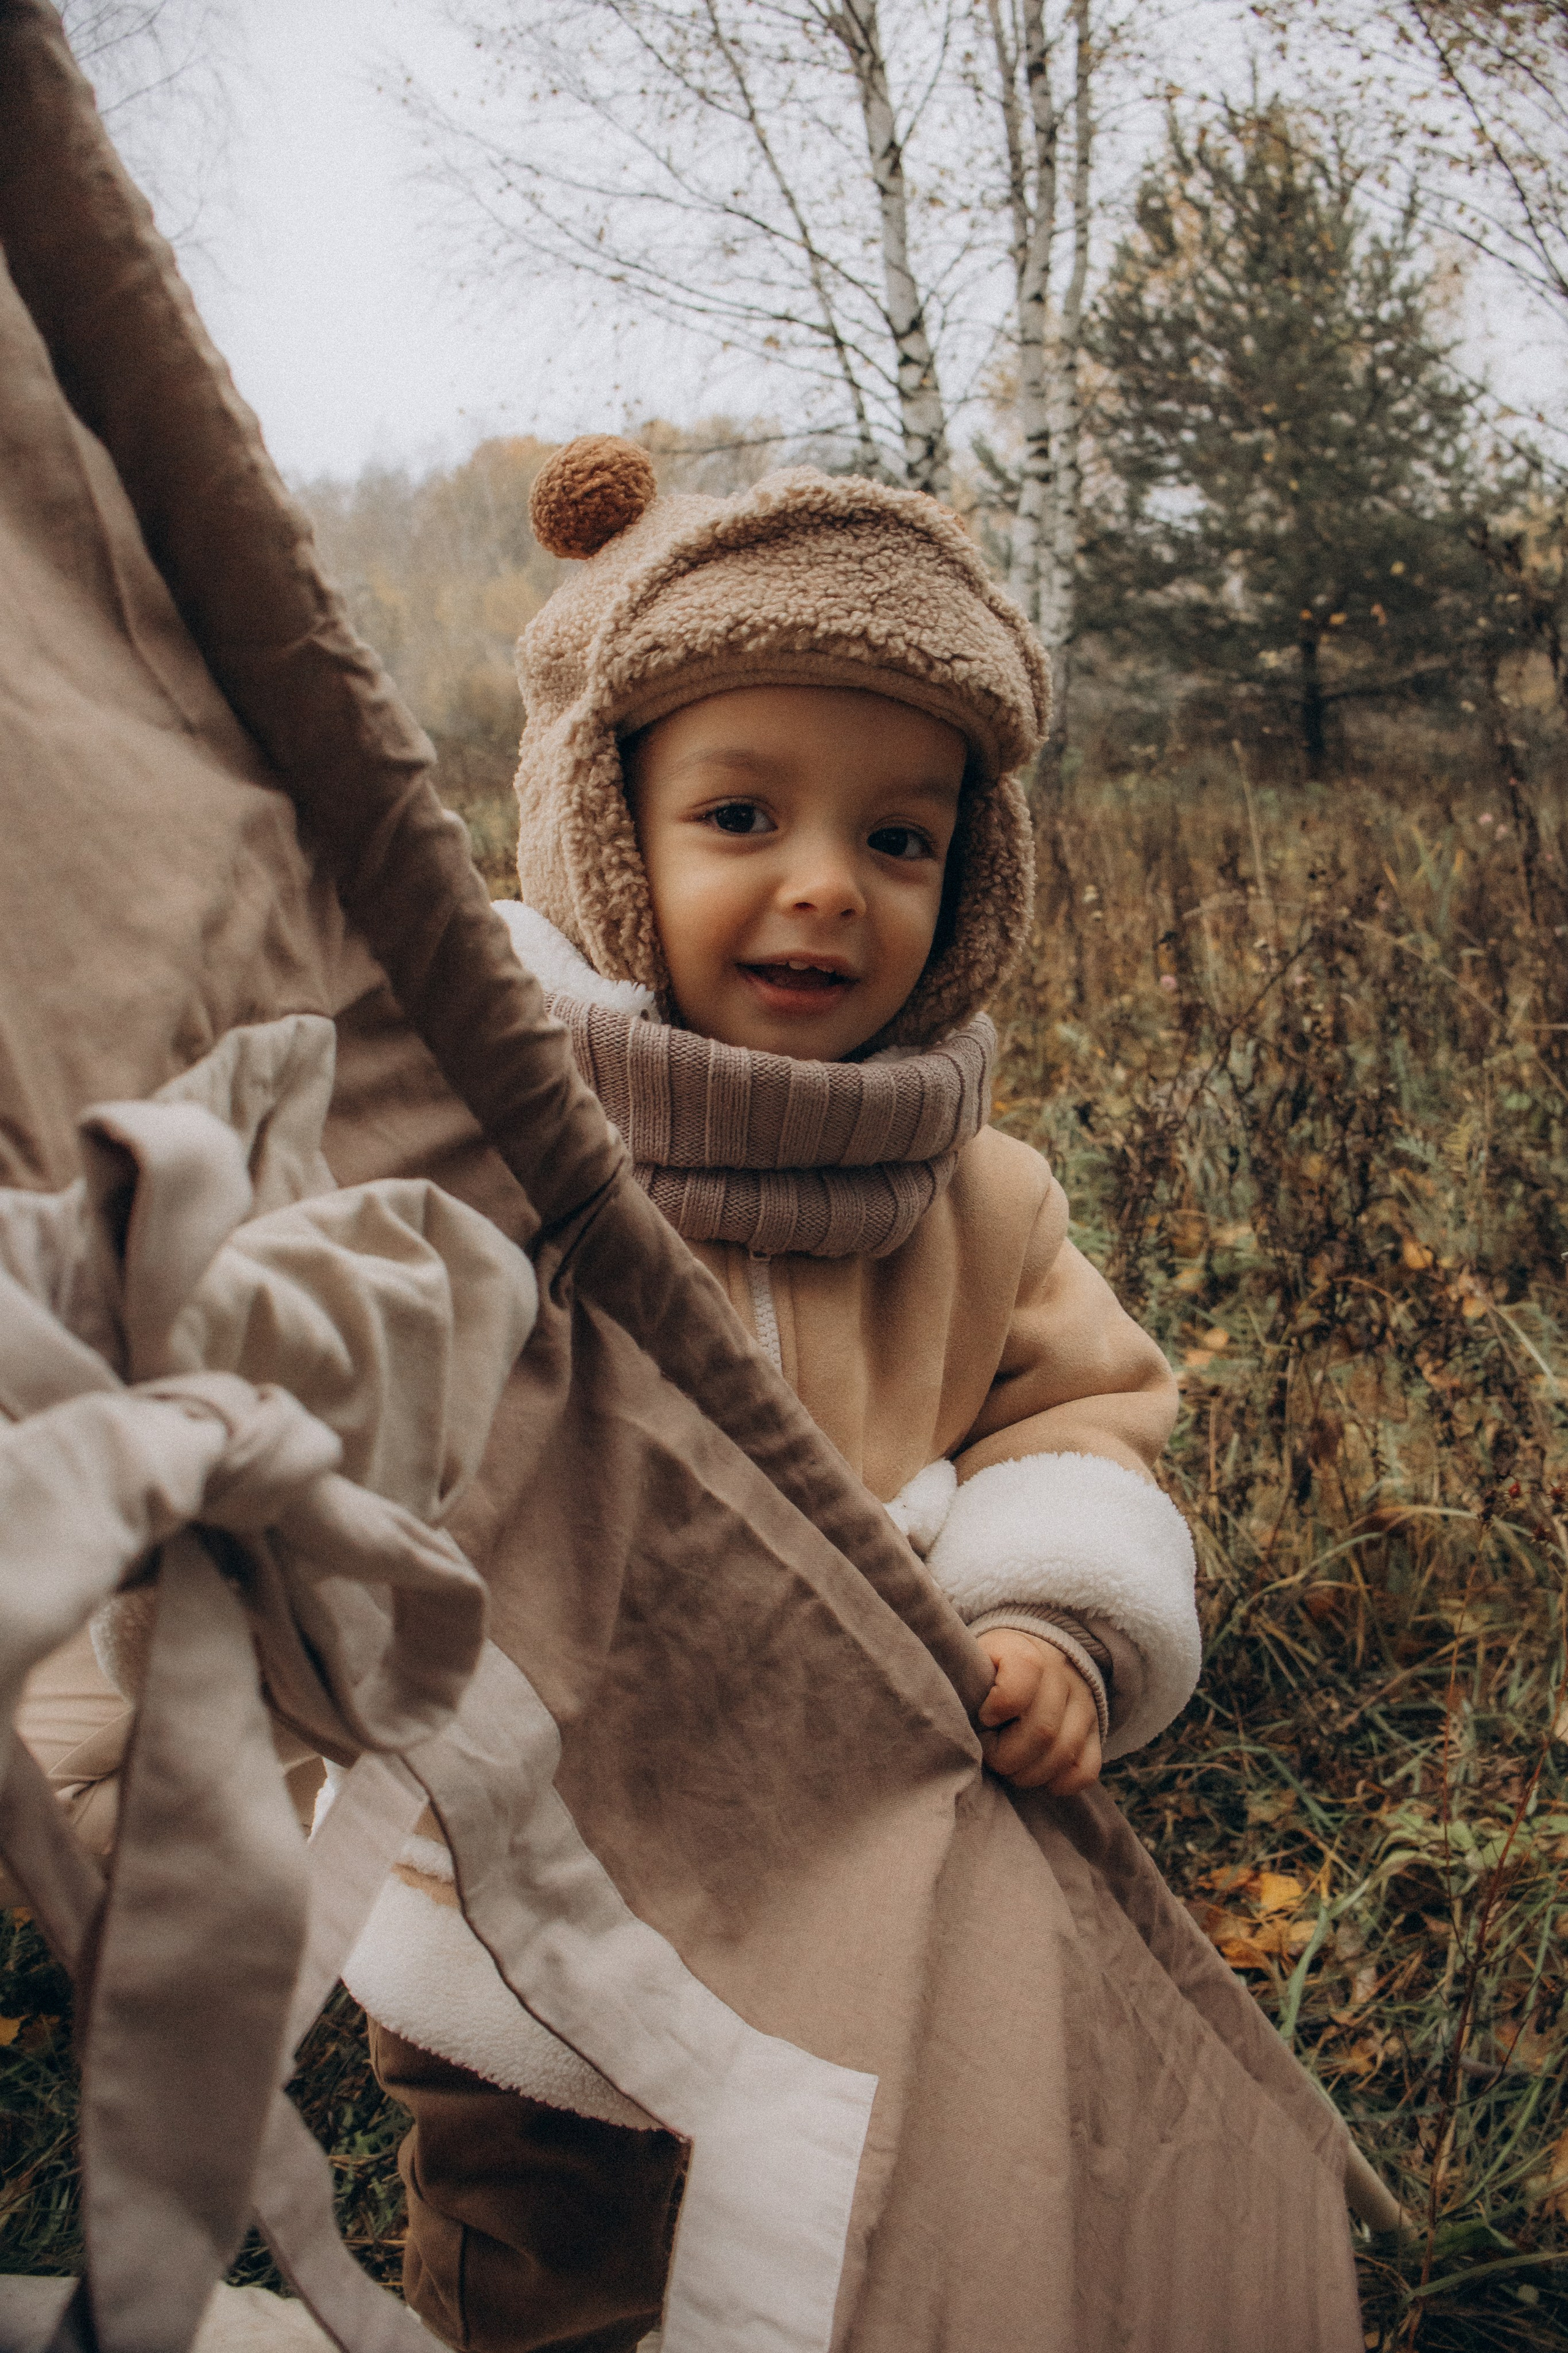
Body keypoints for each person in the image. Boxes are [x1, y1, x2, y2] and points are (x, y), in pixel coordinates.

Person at [353, 438, 1202, 2353]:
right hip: (536, 1881)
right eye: (741, 814)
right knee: (545, 2245)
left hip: (847, 1868)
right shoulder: (484, 1142)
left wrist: (1052, 1613)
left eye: (901, 839)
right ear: (604, 828)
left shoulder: (977, 1198)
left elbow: (1071, 1424)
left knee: (820, 2232)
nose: (828, 885)